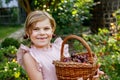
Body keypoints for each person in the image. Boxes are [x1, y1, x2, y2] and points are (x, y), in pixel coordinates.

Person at [17, 10, 104, 80]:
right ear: (28, 32)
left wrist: (90, 75)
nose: (42, 33)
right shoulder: (30, 56)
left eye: (46, 28)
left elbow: (72, 73)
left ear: (52, 30)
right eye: (36, 29)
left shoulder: (59, 48)